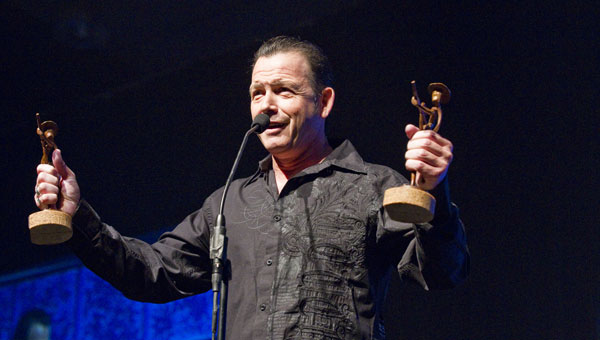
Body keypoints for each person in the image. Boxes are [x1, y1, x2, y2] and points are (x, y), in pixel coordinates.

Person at [34, 36, 469, 339]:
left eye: (284, 91)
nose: (267, 105)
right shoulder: (229, 201)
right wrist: (77, 217)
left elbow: (440, 271)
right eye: (257, 93)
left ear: (325, 101)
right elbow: (151, 273)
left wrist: (436, 195)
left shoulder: (374, 186)